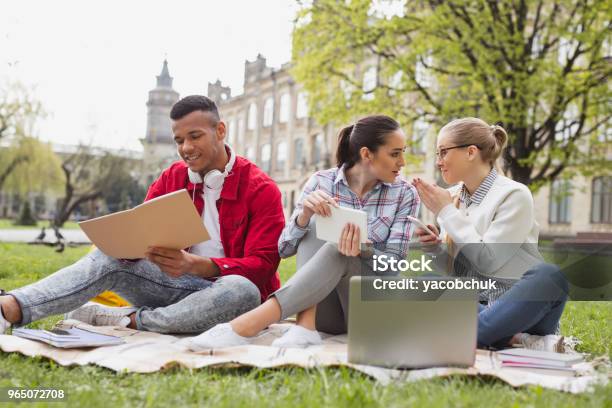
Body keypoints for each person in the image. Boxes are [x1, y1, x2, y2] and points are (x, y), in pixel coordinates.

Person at [0, 95, 285, 335]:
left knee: (243, 291)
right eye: (179, 140)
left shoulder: (262, 189)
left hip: (229, 294)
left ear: (220, 131)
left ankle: (127, 320)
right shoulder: (172, 177)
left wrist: (199, 265)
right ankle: (9, 308)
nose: (186, 148)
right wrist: (125, 244)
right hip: (175, 287)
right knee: (107, 255)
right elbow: (141, 230)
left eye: (195, 136)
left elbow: (263, 266)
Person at [189, 115, 420, 350]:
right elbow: (284, 249)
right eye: (395, 154)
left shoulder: (405, 194)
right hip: (326, 315)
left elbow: (394, 267)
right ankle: (305, 327)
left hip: (373, 310)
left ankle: (244, 326)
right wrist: (304, 215)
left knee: (339, 248)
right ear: (366, 154)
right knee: (315, 220)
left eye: (403, 152)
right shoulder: (321, 181)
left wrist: (364, 250)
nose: (402, 162)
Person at [412, 117, 569, 352]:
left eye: (443, 152)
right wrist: (435, 248)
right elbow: (455, 273)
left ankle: (471, 334)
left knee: (549, 277)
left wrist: (446, 212)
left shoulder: (515, 195)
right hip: (474, 303)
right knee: (425, 283)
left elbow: (489, 261)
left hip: (520, 310)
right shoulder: (453, 196)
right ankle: (513, 339)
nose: (438, 162)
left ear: (471, 152)